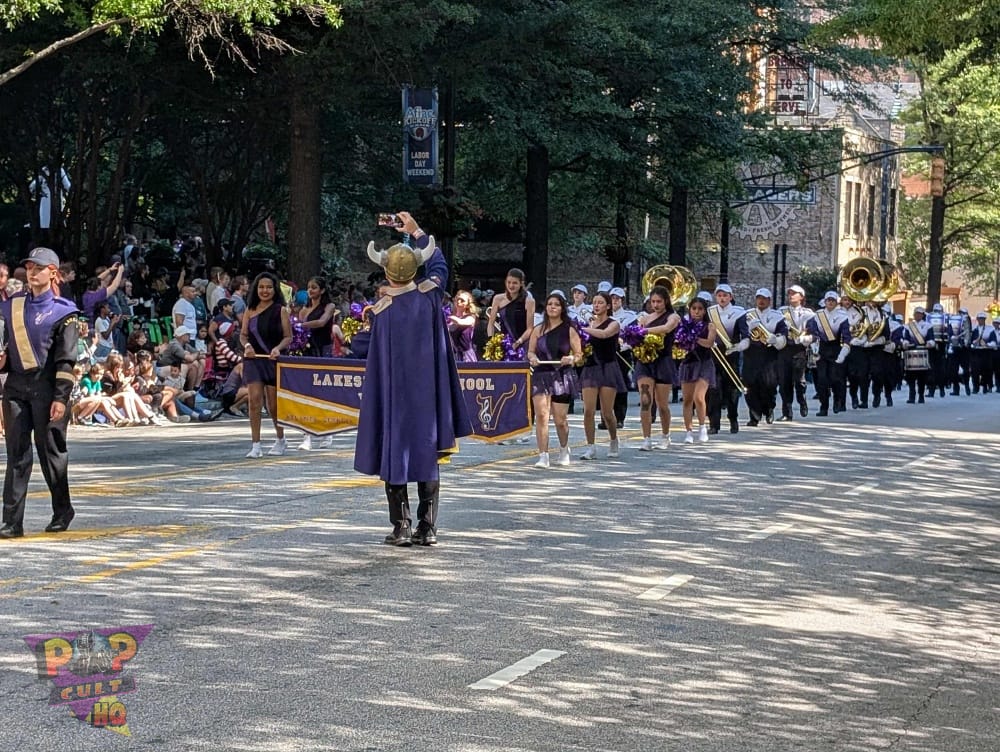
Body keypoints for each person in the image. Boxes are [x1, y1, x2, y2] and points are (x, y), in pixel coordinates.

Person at [355, 211, 471, 546]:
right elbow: (440, 265)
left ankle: (401, 527)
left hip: (395, 398)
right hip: (427, 397)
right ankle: (428, 527)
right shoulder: (430, 294)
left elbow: (361, 346)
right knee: (427, 454)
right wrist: (417, 230)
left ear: (386, 271)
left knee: (396, 454)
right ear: (413, 269)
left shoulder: (382, 311)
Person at [0, 247, 80, 538]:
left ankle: (62, 510)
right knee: (17, 455)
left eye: (39, 268)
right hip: (17, 387)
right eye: (30, 267)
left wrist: (61, 397)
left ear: (53, 273)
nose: (32, 272)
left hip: (47, 389)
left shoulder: (65, 312)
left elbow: (66, 360)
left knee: (51, 454)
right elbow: (6, 346)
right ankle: (11, 522)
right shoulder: (11, 306)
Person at [526, 294, 582, 468]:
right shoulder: (538, 329)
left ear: (562, 308)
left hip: (561, 375)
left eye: (556, 305)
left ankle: (564, 449)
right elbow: (530, 352)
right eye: (549, 304)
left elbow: (579, 355)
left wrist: (571, 358)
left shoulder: (569, 329)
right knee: (542, 416)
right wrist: (533, 357)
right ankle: (543, 455)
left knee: (560, 419)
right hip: (541, 374)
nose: (552, 307)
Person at [241, 272, 293, 458]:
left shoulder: (281, 310)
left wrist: (278, 349)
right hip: (254, 359)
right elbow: (243, 334)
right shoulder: (250, 309)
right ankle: (256, 444)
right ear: (256, 288)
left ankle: (280, 439)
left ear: (275, 289)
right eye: (261, 287)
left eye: (269, 287)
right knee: (254, 400)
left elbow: (288, 337)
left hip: (272, 360)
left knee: (274, 405)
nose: (265, 291)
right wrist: (246, 346)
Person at [729, 288, 788, 426]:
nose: (761, 301)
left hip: (769, 356)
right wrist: (748, 330)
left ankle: (769, 410)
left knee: (769, 385)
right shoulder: (747, 315)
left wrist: (775, 339)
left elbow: (783, 335)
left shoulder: (777, 316)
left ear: (769, 300)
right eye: (759, 298)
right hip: (751, 354)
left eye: (764, 298)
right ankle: (754, 416)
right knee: (749, 385)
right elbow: (738, 333)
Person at [577, 291, 623, 460]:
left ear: (608, 306)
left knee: (607, 412)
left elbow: (604, 334)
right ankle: (590, 447)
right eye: (594, 302)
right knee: (588, 410)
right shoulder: (589, 323)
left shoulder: (614, 324)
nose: (596, 305)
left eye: (600, 302)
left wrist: (582, 329)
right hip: (590, 367)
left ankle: (613, 439)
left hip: (607, 367)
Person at [635, 285, 681, 450]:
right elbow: (637, 330)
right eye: (653, 301)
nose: (655, 305)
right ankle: (646, 439)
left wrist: (644, 331)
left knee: (662, 404)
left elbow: (666, 328)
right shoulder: (645, 317)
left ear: (666, 301)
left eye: (659, 301)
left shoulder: (673, 316)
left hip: (663, 361)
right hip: (645, 362)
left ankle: (665, 435)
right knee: (645, 400)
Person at [676, 296, 717, 443]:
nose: (697, 312)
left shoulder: (710, 326)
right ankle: (688, 431)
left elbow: (709, 343)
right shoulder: (684, 325)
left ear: (705, 311)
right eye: (694, 309)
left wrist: (693, 338)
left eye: (700, 309)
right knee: (687, 400)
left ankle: (702, 427)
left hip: (704, 363)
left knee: (698, 397)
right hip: (688, 363)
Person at [706, 283, 746, 434]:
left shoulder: (739, 313)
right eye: (719, 296)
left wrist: (740, 346)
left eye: (725, 296)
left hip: (732, 354)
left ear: (731, 297)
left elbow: (745, 334)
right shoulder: (710, 312)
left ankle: (733, 419)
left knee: (732, 390)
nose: (722, 298)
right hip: (714, 354)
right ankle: (714, 424)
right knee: (713, 390)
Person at [806, 290, 851, 415]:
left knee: (835, 378)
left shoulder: (842, 316)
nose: (830, 302)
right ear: (825, 302)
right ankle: (823, 406)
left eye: (832, 300)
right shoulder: (818, 315)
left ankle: (837, 401)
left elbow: (846, 337)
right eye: (828, 300)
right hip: (822, 349)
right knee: (821, 379)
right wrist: (813, 345)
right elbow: (813, 333)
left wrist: (843, 353)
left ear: (836, 302)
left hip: (836, 348)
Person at [777, 284, 815, 420]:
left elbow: (813, 333)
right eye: (789, 293)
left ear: (801, 297)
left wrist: (804, 338)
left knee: (799, 381)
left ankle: (802, 400)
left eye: (794, 293)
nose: (791, 296)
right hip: (784, 349)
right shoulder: (781, 311)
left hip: (799, 349)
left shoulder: (808, 314)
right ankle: (787, 412)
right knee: (784, 382)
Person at [486, 268, 535, 351]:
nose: (511, 286)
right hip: (504, 343)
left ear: (521, 283)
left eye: (515, 283)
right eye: (509, 282)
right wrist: (492, 341)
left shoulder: (529, 301)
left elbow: (530, 328)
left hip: (522, 344)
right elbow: (491, 323)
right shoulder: (498, 299)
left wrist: (518, 342)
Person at [298, 276, 339, 357]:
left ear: (322, 290)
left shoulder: (329, 306)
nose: (310, 290)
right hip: (307, 348)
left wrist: (302, 325)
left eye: (314, 288)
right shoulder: (304, 309)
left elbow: (321, 322)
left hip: (323, 348)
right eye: (308, 287)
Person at [448, 290, 479, 362]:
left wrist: (446, 316)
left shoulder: (471, 317)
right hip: (454, 354)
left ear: (468, 304)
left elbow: (460, 322)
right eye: (457, 299)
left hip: (466, 356)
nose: (459, 302)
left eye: (462, 300)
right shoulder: (451, 318)